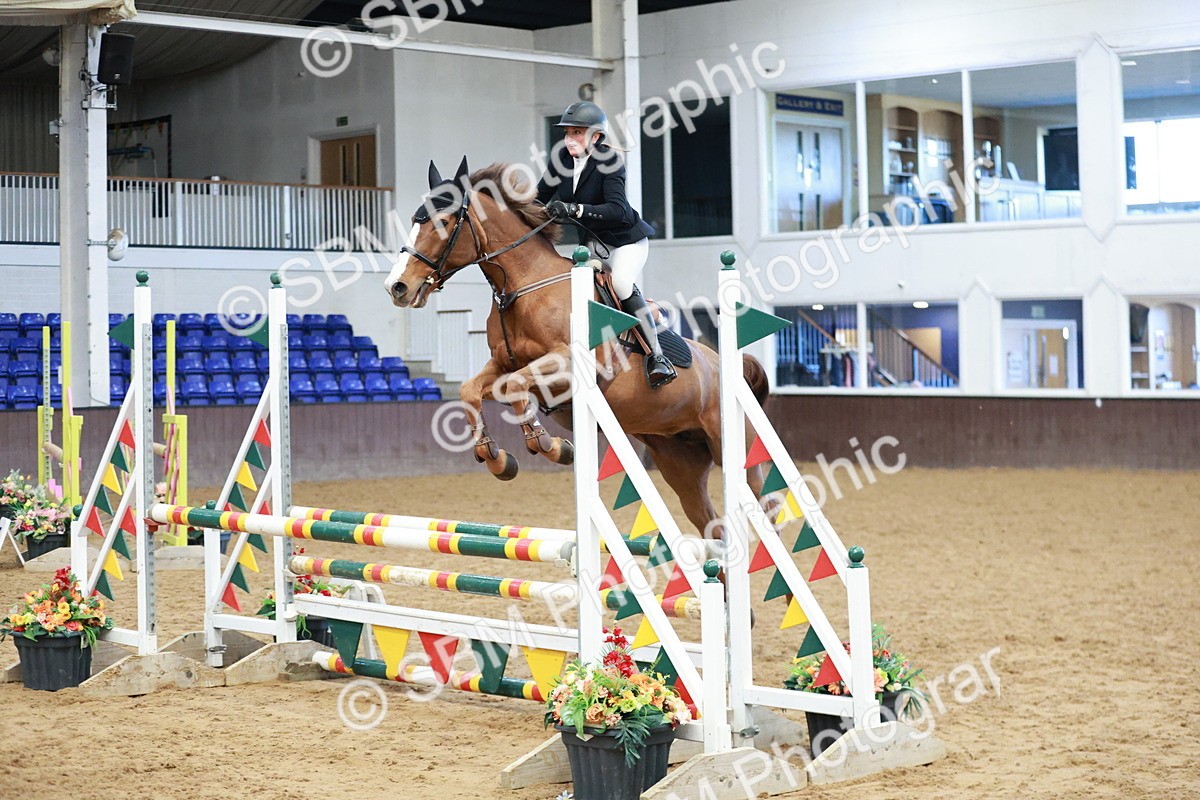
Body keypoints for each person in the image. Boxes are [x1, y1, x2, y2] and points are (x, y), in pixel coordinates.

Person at [536, 101, 676, 389]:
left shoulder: (609, 161)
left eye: (578, 132)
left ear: (596, 137)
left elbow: (619, 210)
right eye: (567, 133)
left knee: (622, 285)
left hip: (625, 242)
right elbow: (539, 197)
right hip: (591, 246)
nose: (570, 139)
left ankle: (657, 357)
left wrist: (576, 210)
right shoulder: (561, 159)